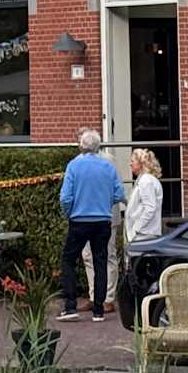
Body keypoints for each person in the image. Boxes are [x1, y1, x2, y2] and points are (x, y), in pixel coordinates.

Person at [57, 129, 123, 323]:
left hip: (79, 220)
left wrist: (68, 212)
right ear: (98, 146)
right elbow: (119, 194)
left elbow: (65, 197)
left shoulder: (74, 165)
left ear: (81, 146)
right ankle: (99, 310)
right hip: (102, 221)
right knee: (101, 262)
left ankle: (70, 306)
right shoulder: (108, 166)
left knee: (69, 260)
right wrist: (104, 204)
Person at [123, 148, 165, 269]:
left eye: (133, 161)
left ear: (141, 163)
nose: (130, 164)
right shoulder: (145, 180)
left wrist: (136, 229)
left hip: (143, 235)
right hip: (144, 233)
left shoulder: (146, 181)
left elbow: (150, 208)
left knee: (139, 269)